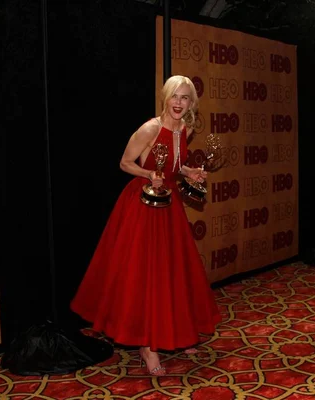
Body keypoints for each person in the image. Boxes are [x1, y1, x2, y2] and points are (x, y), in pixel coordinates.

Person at [71, 75, 221, 376]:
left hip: (170, 206)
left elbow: (174, 168)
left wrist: (189, 172)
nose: (179, 103)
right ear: (165, 97)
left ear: (191, 103)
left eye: (185, 98)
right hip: (142, 206)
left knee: (172, 272)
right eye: (174, 96)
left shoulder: (185, 129)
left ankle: (177, 333)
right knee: (147, 275)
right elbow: (125, 163)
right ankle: (147, 347)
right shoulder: (151, 128)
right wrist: (148, 173)